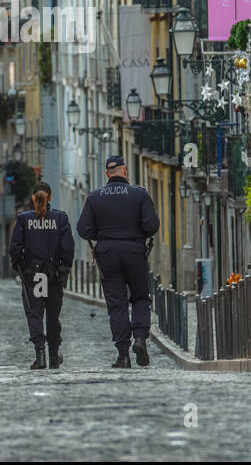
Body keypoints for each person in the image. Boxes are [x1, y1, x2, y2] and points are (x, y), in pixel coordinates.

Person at [76, 155, 160, 368]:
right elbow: (152, 226)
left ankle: (123, 355)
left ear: (107, 173)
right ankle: (140, 337)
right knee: (140, 297)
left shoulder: (95, 197)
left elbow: (83, 229)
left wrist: (103, 234)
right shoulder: (139, 194)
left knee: (117, 305)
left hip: (107, 254)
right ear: (124, 171)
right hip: (134, 251)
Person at [8, 181, 74, 369]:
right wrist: (63, 269)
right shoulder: (60, 218)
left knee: (35, 313)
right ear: (50, 197)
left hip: (35, 276)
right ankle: (54, 354)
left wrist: (21, 267)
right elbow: (68, 248)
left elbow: (14, 249)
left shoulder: (23, 219)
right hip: (53, 275)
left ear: (33, 198)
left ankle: (40, 355)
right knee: (53, 316)